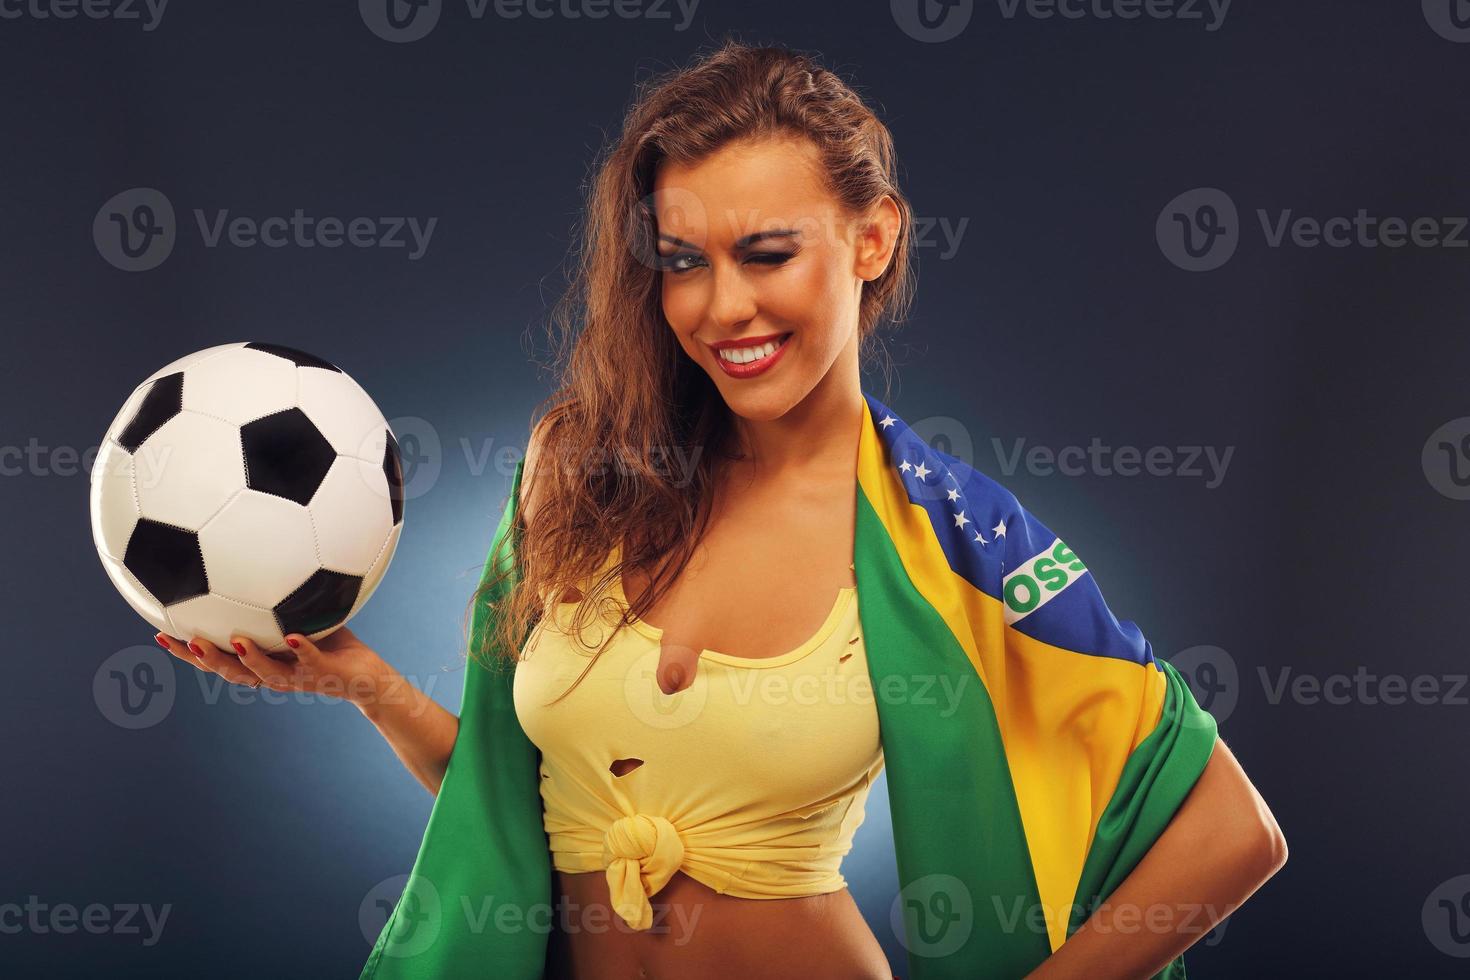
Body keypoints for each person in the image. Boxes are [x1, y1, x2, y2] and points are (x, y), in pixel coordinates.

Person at [158, 38, 1287, 980]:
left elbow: (1235, 832)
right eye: (685, 259)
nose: (722, 304)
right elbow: (509, 809)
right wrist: (366, 683)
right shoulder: (577, 471)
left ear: (872, 237)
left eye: (767, 252)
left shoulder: (951, 537)